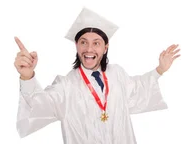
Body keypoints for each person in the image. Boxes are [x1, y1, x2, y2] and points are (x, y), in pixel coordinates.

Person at [13, 7, 181, 144]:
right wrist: (27, 77)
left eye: (96, 43)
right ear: (77, 46)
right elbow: (40, 107)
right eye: (83, 42)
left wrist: (159, 70)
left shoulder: (117, 74)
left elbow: (138, 90)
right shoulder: (66, 85)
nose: (89, 49)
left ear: (105, 47)